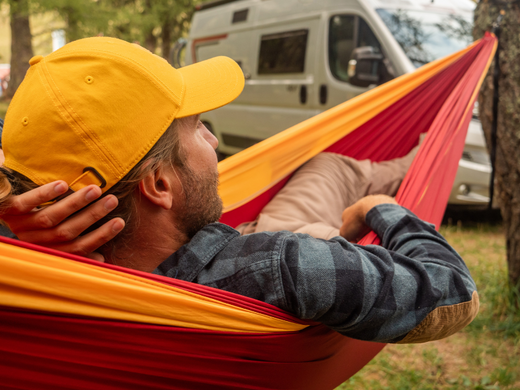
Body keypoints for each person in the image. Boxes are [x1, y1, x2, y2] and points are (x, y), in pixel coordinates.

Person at [0, 37, 478, 344]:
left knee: (326, 164)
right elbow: (453, 291)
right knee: (333, 166)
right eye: (198, 126)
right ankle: (418, 162)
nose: (212, 140)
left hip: (226, 241)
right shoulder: (282, 265)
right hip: (294, 240)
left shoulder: (26, 283)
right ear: (159, 185)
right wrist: (384, 210)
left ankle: (408, 161)